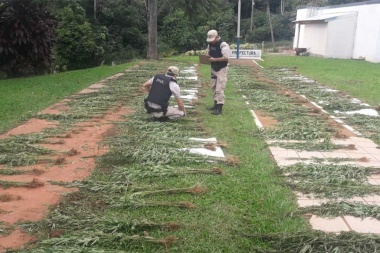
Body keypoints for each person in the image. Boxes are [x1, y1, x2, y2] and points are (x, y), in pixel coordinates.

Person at [206, 29, 230, 115]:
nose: (211, 42)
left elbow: (226, 57)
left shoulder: (223, 45)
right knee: (213, 86)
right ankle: (215, 104)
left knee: (220, 88)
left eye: (212, 40)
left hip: (222, 68)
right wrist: (206, 58)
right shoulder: (209, 45)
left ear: (216, 37)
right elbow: (208, 54)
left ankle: (219, 108)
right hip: (213, 68)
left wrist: (214, 59)